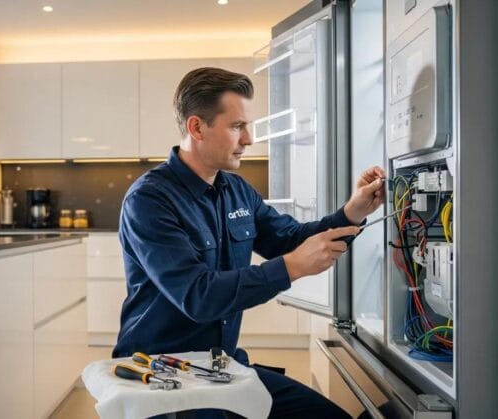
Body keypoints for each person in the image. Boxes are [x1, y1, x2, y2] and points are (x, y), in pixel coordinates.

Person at [113, 67, 385, 418]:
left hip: (220, 368)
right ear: (197, 127)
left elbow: (288, 239)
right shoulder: (149, 200)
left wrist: (352, 212)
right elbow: (199, 296)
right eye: (237, 126)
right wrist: (291, 268)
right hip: (161, 375)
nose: (249, 139)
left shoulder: (237, 190)